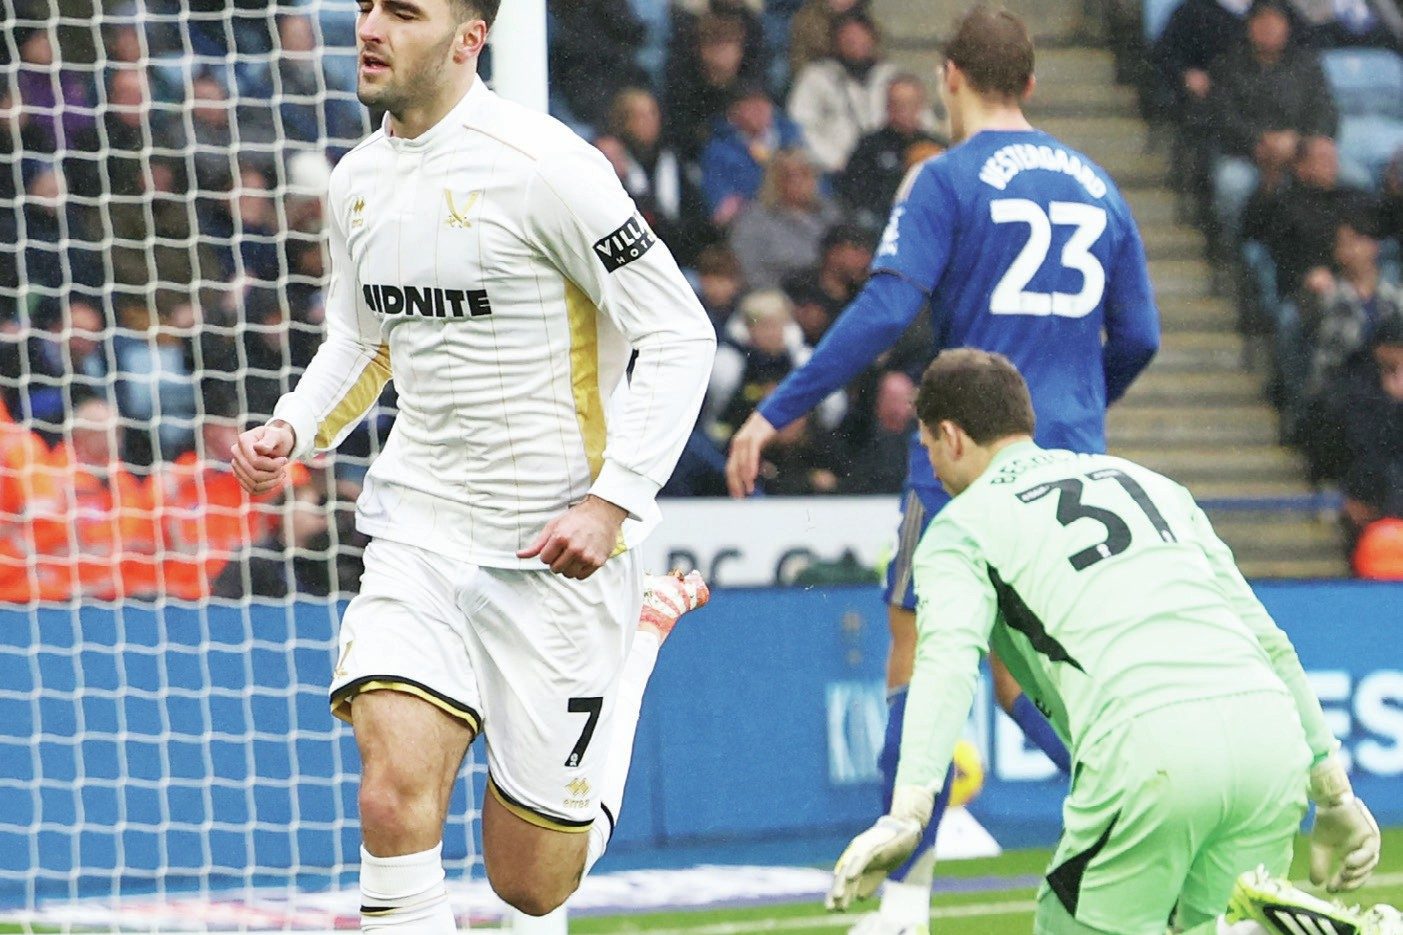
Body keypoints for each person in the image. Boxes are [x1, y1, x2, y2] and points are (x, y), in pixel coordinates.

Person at [228, 0, 717, 928]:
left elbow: (678, 331)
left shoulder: (552, 171)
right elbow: (362, 339)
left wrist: (611, 505)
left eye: (401, 12)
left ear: (467, 40)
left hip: (552, 551)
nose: (369, 26)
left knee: (532, 882)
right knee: (390, 794)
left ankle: (641, 642)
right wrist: (294, 426)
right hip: (419, 527)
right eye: (367, 5)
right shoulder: (356, 180)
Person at [725, 10, 1158, 933]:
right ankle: (1150, 817)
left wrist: (776, 408)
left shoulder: (944, 178)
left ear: (949, 75)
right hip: (1068, 462)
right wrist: (1075, 408)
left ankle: (904, 903)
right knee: (1026, 674)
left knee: (916, 660)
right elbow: (1142, 336)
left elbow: (886, 311)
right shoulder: (1098, 184)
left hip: (963, 459)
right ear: (1032, 83)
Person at [827, 348, 1385, 935]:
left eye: (927, 445)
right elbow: (1270, 642)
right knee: (1201, 923)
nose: (931, 465)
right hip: (1270, 747)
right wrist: (1334, 790)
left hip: (1150, 757)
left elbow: (944, 670)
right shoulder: (1151, 484)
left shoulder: (958, 531)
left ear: (951, 436)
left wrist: (909, 811)